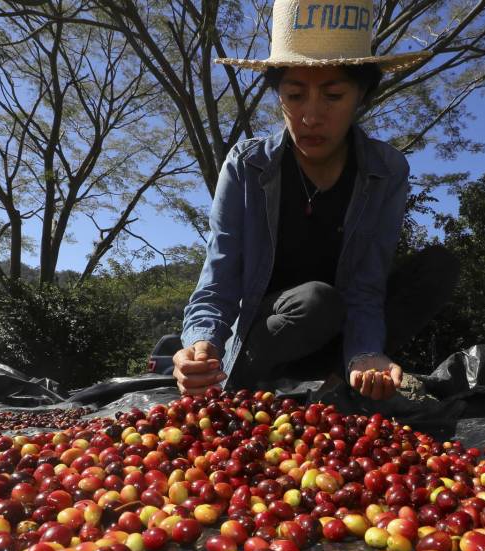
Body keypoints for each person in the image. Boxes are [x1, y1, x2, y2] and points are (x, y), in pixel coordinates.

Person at [173, 0, 458, 400]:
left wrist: (363, 352)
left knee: (436, 268)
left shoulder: (386, 170)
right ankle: (247, 384)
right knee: (315, 301)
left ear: (362, 97)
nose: (310, 116)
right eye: (294, 95)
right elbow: (218, 279)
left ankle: (344, 383)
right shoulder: (246, 166)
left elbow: (367, 284)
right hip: (270, 336)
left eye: (333, 95)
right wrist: (202, 346)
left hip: (340, 341)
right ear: (278, 96)